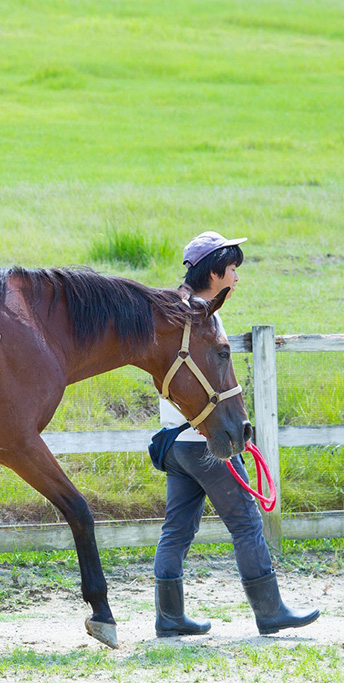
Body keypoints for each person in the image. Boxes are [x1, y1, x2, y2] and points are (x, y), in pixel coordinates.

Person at [151, 230, 320, 637]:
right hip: (203, 440)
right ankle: (270, 610)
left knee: (176, 528)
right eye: (232, 270)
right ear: (215, 271)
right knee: (246, 522)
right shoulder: (201, 315)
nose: (236, 278)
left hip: (174, 440)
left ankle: (169, 618)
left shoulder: (174, 310)